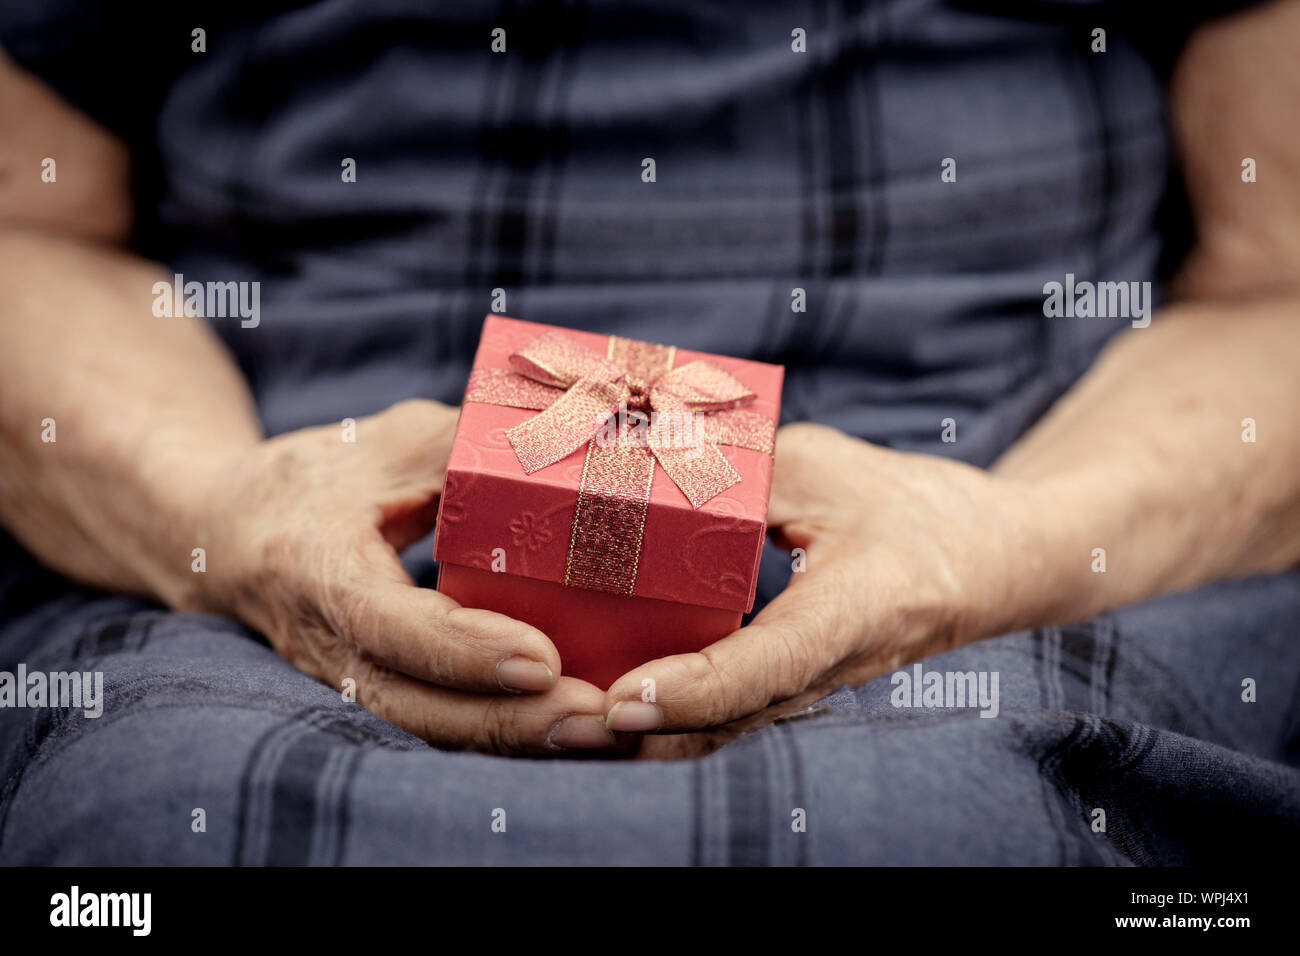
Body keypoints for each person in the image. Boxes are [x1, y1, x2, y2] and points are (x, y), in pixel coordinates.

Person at [0, 0, 1297, 864]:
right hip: (271, 500)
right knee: (160, 830)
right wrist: (218, 511)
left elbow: (1281, 277)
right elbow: (28, 228)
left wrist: (1007, 542)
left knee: (941, 837)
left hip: (1029, 494)